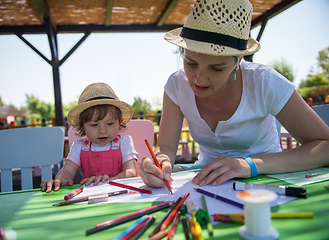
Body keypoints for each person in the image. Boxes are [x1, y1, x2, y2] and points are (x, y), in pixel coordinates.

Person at [139, 0, 329, 189]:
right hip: (206, 178)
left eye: (216, 68)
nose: (199, 79)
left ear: (238, 61)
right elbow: (166, 148)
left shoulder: (265, 82)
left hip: (268, 177)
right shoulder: (176, 85)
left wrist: (250, 165)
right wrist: (159, 161)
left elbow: (325, 146)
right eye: (191, 63)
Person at [42, 82, 138, 192]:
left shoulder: (124, 142)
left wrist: (109, 181)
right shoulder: (79, 146)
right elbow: (67, 171)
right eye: (94, 125)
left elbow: (130, 172)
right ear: (82, 126)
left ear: (119, 122)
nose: (102, 130)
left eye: (110, 123)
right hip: (88, 198)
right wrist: (59, 180)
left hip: (120, 195)